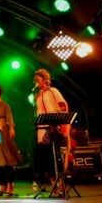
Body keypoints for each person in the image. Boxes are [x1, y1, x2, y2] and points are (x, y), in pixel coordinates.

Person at [32, 68, 69, 196]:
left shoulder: (53, 91)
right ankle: (53, 184)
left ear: (45, 79)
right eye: (35, 80)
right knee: (45, 157)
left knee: (56, 156)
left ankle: (61, 184)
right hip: (42, 129)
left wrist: (58, 122)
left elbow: (63, 106)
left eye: (38, 79)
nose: (36, 82)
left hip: (55, 127)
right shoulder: (37, 95)